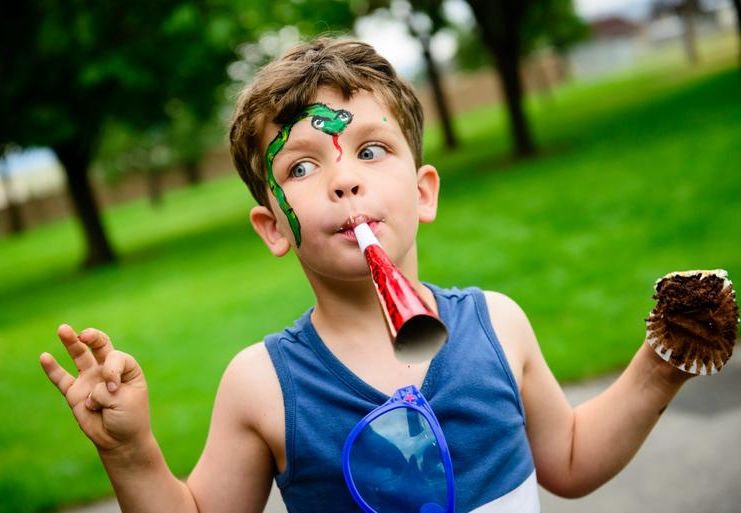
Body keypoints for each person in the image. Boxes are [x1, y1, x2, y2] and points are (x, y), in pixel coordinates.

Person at [40, 38, 694, 512]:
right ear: (273, 226)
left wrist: (665, 357)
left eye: (371, 150)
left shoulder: (498, 323)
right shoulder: (262, 385)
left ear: (424, 192)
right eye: (300, 167)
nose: (343, 177)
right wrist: (131, 454)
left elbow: (573, 458)